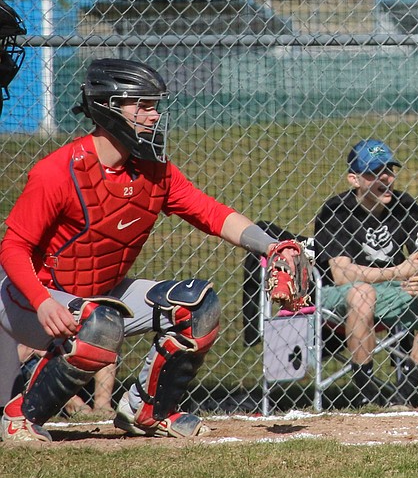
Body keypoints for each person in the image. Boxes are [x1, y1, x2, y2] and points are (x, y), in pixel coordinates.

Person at [0, 58, 305, 443]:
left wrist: (272, 246)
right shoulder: (57, 172)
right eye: (141, 105)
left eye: (154, 105)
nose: (153, 114)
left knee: (198, 304)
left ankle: (147, 411)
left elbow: (210, 212)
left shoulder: (152, 170)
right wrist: (43, 302)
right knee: (99, 324)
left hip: (99, 296)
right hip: (28, 296)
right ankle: (20, 418)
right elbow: (13, 247)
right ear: (107, 107)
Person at [313, 138, 418, 407]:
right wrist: (399, 271)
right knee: (362, 293)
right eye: (373, 173)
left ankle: (403, 392)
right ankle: (368, 392)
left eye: (389, 171)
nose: (385, 178)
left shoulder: (405, 205)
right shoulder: (336, 210)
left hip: (396, 292)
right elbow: (342, 275)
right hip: (343, 295)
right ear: (354, 180)